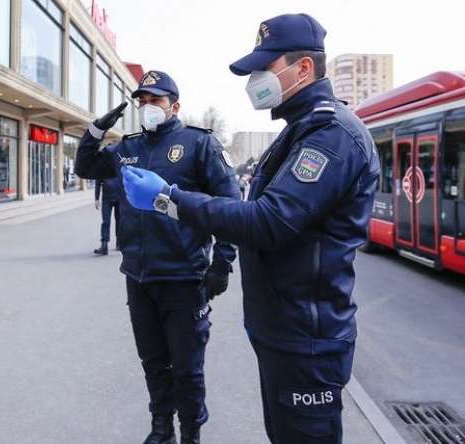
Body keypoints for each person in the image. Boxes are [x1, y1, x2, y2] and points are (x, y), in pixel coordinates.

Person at [122, 14, 380, 444]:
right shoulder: (299, 130)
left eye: (265, 68)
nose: (256, 79)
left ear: (303, 68)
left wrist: (169, 199)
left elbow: (266, 220)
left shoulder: (330, 134)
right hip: (284, 330)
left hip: (306, 339)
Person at [75, 71, 240, 444]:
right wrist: (96, 131)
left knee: (186, 368)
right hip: (139, 276)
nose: (147, 108)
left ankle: (190, 433)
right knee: (153, 362)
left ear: (174, 106)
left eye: (155, 101)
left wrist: (222, 263)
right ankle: (161, 427)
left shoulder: (199, 145)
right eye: (142, 101)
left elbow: (229, 205)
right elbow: (85, 167)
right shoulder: (127, 147)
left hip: (184, 278)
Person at [93, 177, 121, 255]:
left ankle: (119, 243)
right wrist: (97, 198)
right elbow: (98, 182)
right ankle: (104, 245)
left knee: (119, 220)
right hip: (106, 198)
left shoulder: (119, 165)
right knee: (105, 221)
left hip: (119, 197)